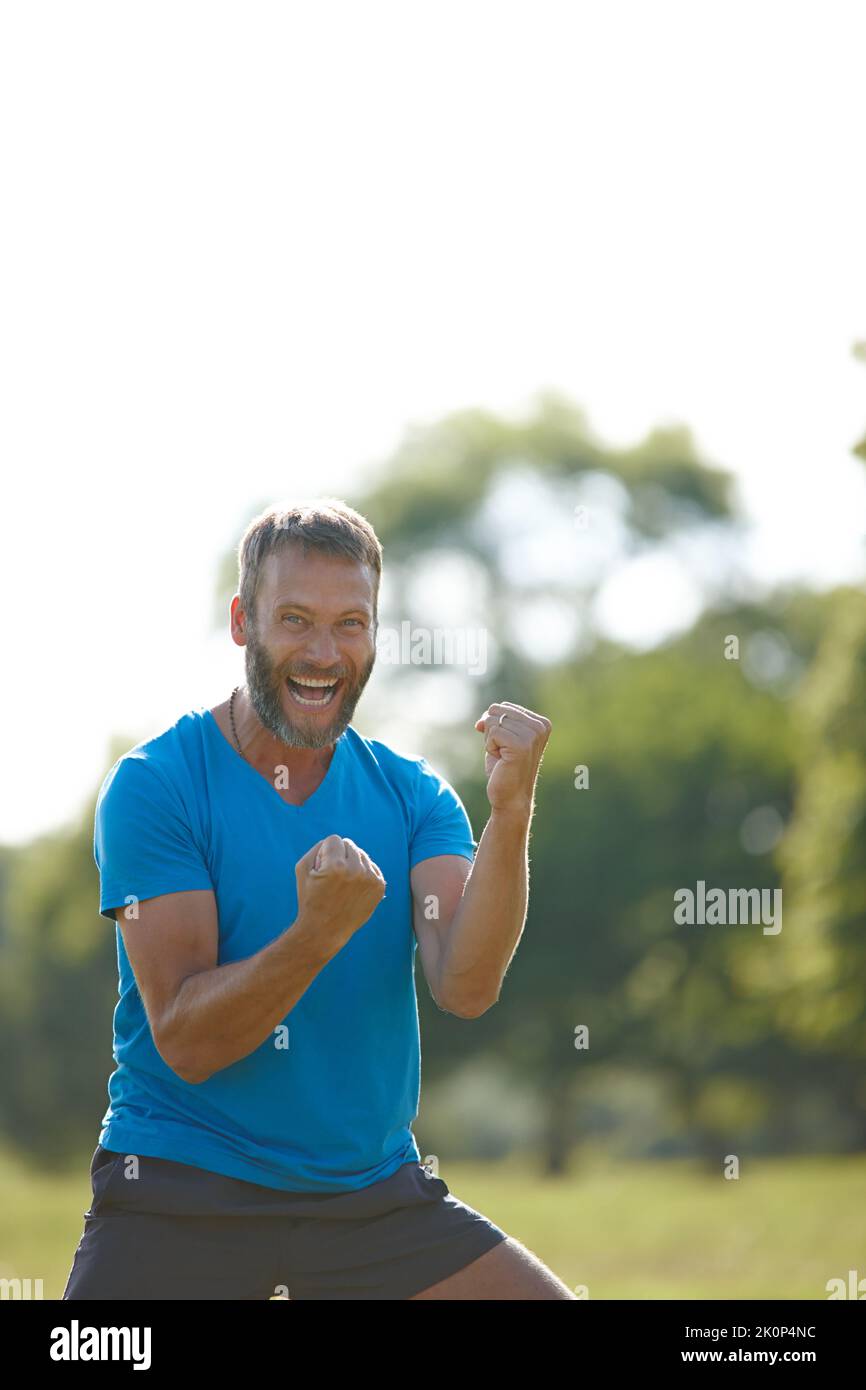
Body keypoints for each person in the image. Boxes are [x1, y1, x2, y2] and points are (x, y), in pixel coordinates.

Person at [63, 499, 575, 1300]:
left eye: (350, 624)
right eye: (295, 619)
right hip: (180, 1191)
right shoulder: (156, 787)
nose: (322, 652)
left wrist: (510, 815)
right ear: (242, 622)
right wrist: (316, 934)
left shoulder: (414, 797)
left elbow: (466, 988)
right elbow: (188, 1042)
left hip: (368, 1201)